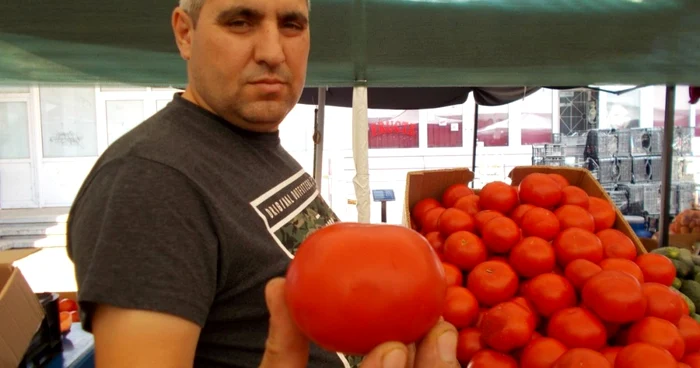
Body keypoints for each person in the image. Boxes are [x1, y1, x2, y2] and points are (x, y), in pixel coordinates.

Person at [66, 0, 459, 367]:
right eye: (240, 22)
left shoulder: (249, 145)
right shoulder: (149, 181)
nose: (272, 51)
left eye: (291, 24)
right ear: (186, 33)